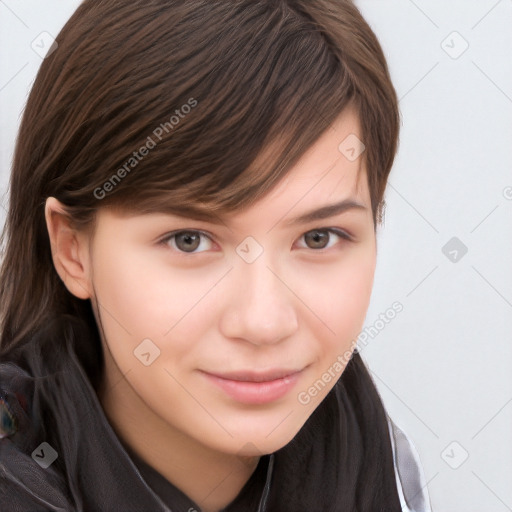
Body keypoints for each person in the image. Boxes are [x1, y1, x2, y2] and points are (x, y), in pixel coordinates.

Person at [0, 0, 432, 510]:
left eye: (319, 237)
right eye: (190, 240)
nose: (263, 322)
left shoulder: (383, 467)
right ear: (72, 250)